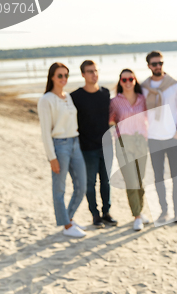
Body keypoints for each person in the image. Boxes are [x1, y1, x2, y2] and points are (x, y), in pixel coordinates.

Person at [38, 62, 87, 238]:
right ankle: (66, 226)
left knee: (82, 185)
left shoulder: (68, 97)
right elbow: (45, 132)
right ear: (52, 77)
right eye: (60, 75)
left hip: (75, 143)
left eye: (66, 75)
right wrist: (52, 157)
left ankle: (69, 218)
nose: (63, 79)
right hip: (59, 146)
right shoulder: (46, 100)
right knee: (59, 189)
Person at [140, 51, 177, 223]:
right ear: (148, 66)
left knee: (176, 176)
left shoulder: (175, 85)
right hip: (153, 138)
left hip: (172, 138)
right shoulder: (144, 87)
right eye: (154, 64)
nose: (158, 66)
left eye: (160, 63)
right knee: (158, 177)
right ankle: (164, 211)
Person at [70, 60, 117, 229]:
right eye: (89, 71)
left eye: (95, 70)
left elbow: (112, 117)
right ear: (83, 74)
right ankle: (95, 215)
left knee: (106, 182)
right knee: (90, 183)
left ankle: (106, 213)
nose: (93, 74)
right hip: (87, 148)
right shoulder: (75, 96)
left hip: (106, 146)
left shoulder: (105, 93)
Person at [109, 69, 149, 231]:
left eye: (130, 79)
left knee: (140, 180)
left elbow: (154, 114)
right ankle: (137, 216)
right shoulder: (115, 102)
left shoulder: (143, 99)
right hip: (124, 143)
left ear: (135, 80)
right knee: (131, 180)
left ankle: (140, 210)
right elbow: (109, 121)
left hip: (141, 142)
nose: (127, 82)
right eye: (124, 79)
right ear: (120, 81)